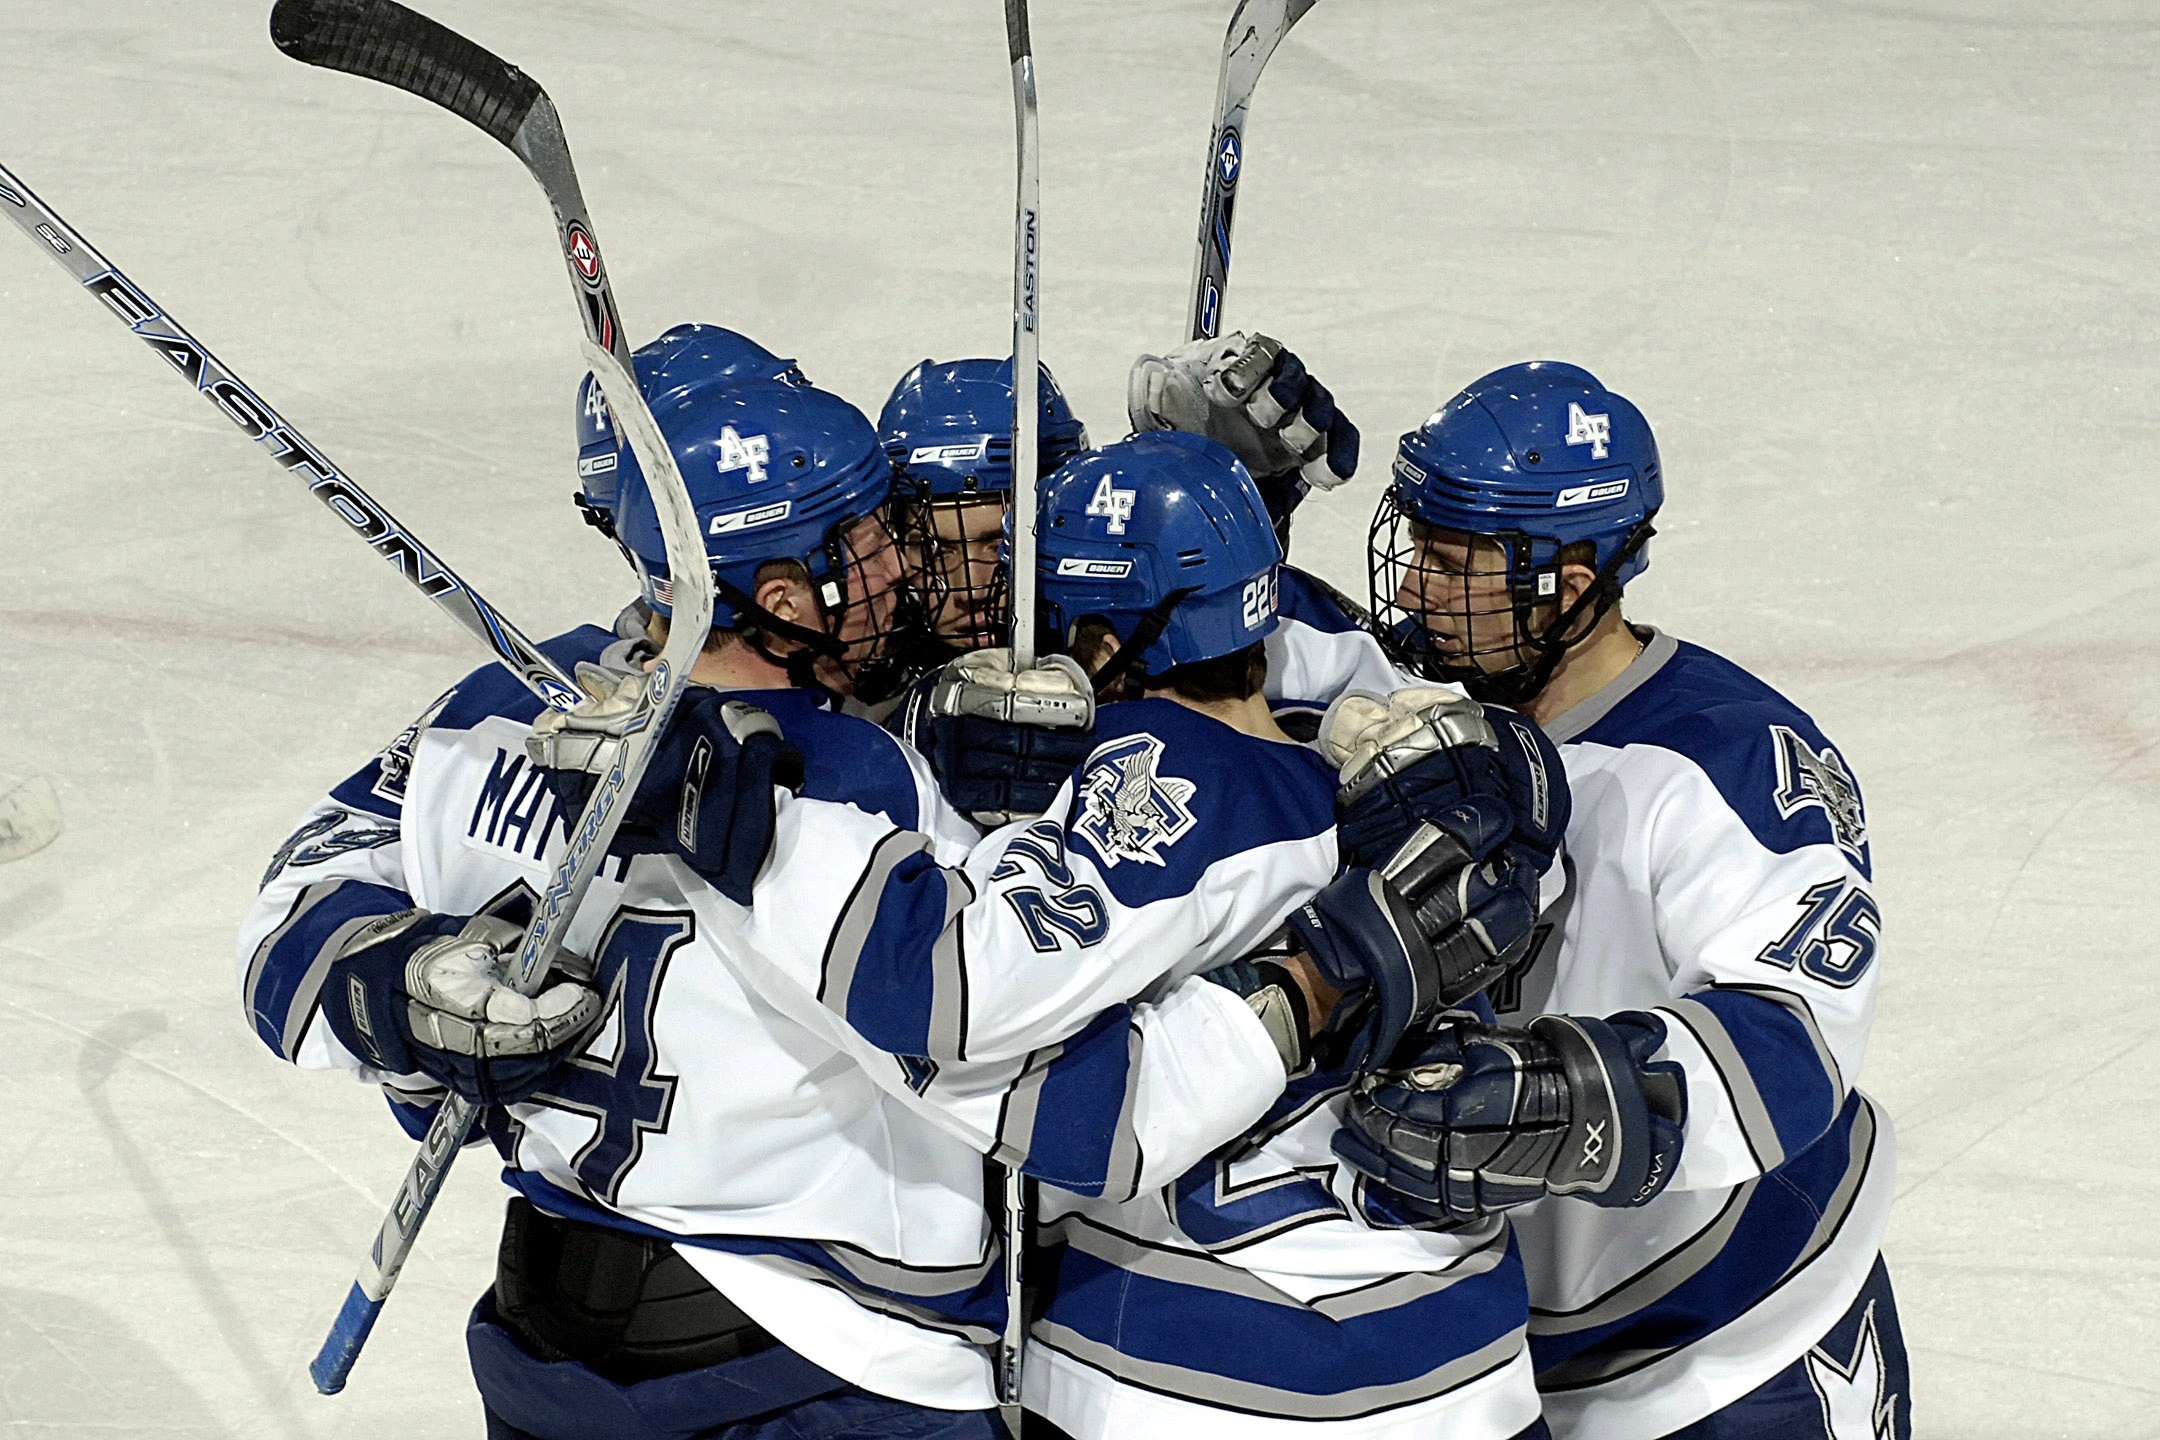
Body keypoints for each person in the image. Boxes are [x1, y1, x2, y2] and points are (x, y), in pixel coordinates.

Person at [1339, 362, 1907, 1440]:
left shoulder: (1729, 762)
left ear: (1562, 580)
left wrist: (1568, 1101)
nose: (1413, 588)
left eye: (1452, 563)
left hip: (1745, 1344)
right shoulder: (1448, 738)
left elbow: (1794, 1045)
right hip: (1537, 1364)